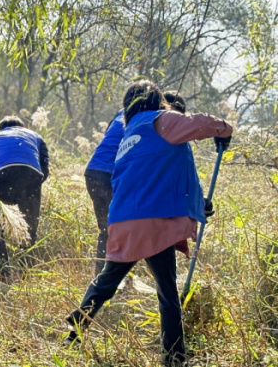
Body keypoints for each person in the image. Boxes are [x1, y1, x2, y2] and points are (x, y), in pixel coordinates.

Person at [65, 81, 232, 366]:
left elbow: (155, 176)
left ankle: (74, 330)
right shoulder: (163, 120)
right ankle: (174, 357)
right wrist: (225, 130)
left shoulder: (130, 134)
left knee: (106, 282)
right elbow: (203, 124)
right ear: (156, 100)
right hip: (153, 223)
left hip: (122, 221)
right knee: (168, 295)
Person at [84, 91, 187, 274]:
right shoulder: (156, 121)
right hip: (113, 175)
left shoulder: (126, 111)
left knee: (108, 229)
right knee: (122, 229)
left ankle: (105, 278)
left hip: (94, 171)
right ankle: (110, 283)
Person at [0, 116, 49, 277]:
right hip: (30, 175)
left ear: (1, 129)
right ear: (22, 127)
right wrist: (34, 185)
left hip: (0, 176)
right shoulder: (35, 136)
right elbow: (45, 166)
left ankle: (3, 275)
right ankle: (27, 275)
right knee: (29, 228)